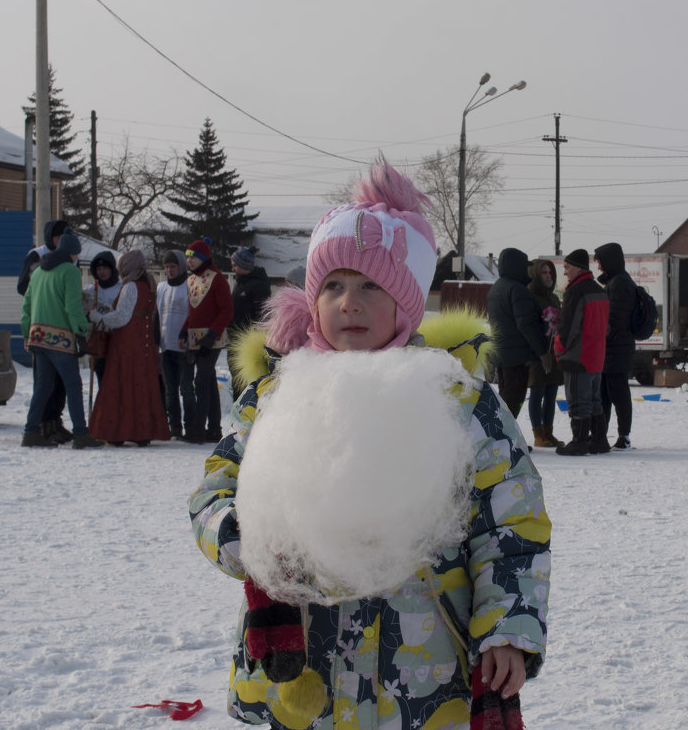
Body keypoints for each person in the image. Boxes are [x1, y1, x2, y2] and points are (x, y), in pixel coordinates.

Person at [188, 160, 549, 729]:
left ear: (406, 302)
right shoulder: (277, 397)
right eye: (331, 285)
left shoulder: (458, 402)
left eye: (370, 286)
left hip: (421, 675)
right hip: (303, 667)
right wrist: (251, 544)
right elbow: (213, 494)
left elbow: (513, 524)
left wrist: (509, 627)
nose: (347, 303)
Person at [19, 230, 103, 449]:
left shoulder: (37, 272)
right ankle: (81, 434)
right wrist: (81, 331)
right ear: (73, 253)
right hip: (60, 339)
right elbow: (72, 306)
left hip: (37, 336)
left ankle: (30, 432)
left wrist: (27, 331)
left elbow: (26, 306)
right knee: (73, 385)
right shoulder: (70, 272)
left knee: (43, 387)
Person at [85, 250, 172, 446]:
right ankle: (142, 431)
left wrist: (100, 317)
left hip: (127, 341)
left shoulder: (130, 286)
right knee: (141, 384)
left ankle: (117, 431)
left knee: (121, 383)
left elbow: (122, 316)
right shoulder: (149, 283)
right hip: (144, 341)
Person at [17, 219, 71, 443]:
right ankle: (40, 424)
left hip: (61, 327)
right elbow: (23, 286)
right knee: (44, 380)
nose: (62, 241)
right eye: (59, 236)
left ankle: (54, 422)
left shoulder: (69, 258)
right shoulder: (37, 256)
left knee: (61, 381)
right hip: (41, 324)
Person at [486, 247, 552, 423]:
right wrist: (543, 352)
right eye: (524, 266)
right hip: (517, 357)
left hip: (502, 353)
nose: (527, 270)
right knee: (513, 400)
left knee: (505, 400)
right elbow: (526, 325)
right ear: (516, 266)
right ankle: (505, 440)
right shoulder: (517, 290)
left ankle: (503, 437)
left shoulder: (496, 288)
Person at [554, 248, 609, 456]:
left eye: (567, 267)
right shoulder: (599, 290)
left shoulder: (576, 291)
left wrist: (559, 349)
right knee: (594, 399)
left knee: (578, 400)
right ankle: (599, 440)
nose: (565, 272)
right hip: (597, 355)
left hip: (578, 355)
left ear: (578, 268)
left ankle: (579, 441)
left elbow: (568, 326)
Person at [180, 238, 233, 443]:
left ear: (203, 258)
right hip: (195, 339)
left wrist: (212, 334)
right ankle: (213, 428)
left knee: (200, 382)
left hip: (212, 340)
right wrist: (184, 331)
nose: (189, 262)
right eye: (187, 258)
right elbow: (193, 311)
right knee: (208, 382)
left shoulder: (217, 278)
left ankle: (198, 429)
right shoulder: (191, 280)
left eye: (192, 258)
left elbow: (226, 310)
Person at [594, 242, 636, 451]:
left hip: (616, 348)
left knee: (618, 393)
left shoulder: (619, 284)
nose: (598, 266)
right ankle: (601, 434)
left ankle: (623, 436)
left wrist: (599, 333)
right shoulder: (616, 281)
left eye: (600, 261)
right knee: (605, 393)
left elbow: (615, 318)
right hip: (613, 348)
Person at [158, 250, 196, 441]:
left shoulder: (189, 286)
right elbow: (157, 314)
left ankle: (191, 426)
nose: (169, 270)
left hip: (184, 346)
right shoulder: (162, 288)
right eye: (166, 267)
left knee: (186, 389)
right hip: (166, 346)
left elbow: (193, 313)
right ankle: (174, 427)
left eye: (173, 266)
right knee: (170, 389)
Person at [527, 257, 565, 449]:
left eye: (550, 272)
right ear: (535, 275)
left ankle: (548, 432)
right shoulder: (530, 296)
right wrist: (541, 351)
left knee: (551, 391)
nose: (548, 276)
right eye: (544, 273)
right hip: (537, 353)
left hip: (554, 351)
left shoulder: (553, 297)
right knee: (537, 391)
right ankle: (538, 433)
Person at [229, 247, 273, 398]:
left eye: (235, 265)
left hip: (248, 342)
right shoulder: (240, 283)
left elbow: (262, 315)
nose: (232, 268)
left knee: (246, 383)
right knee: (236, 380)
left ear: (245, 266)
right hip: (235, 338)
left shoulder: (258, 285)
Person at [85, 250, 122, 384]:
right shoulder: (90, 290)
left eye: (105, 268)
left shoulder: (121, 288)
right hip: (98, 339)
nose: (102, 272)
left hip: (116, 338)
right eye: (99, 268)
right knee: (102, 377)